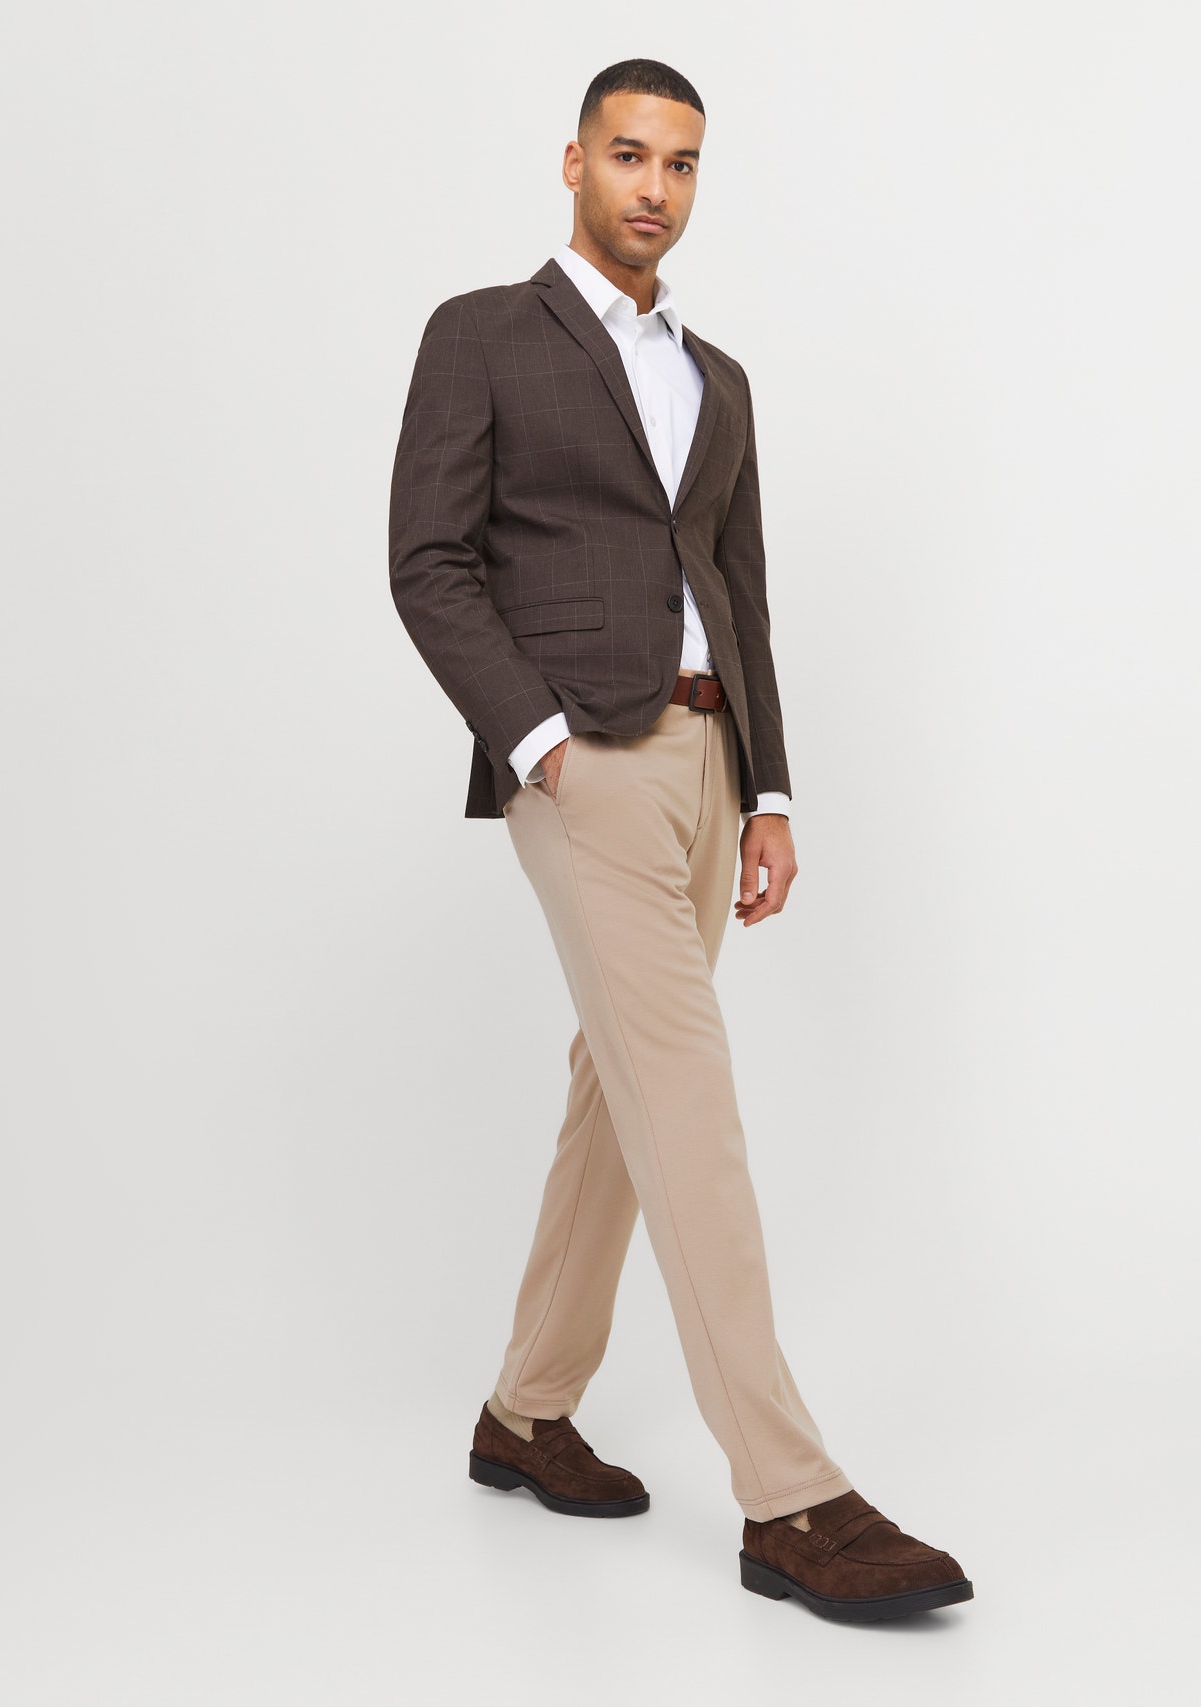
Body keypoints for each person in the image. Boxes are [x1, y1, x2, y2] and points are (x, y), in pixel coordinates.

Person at [387, 57, 973, 1624]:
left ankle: (525, 1413)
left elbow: (741, 587)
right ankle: (793, 1497)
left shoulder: (720, 375)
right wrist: (540, 747)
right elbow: (428, 559)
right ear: (573, 162)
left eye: (683, 163)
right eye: (630, 155)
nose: (655, 186)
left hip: (712, 761)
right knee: (689, 1101)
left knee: (621, 1089)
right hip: (585, 761)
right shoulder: (483, 335)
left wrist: (770, 793)